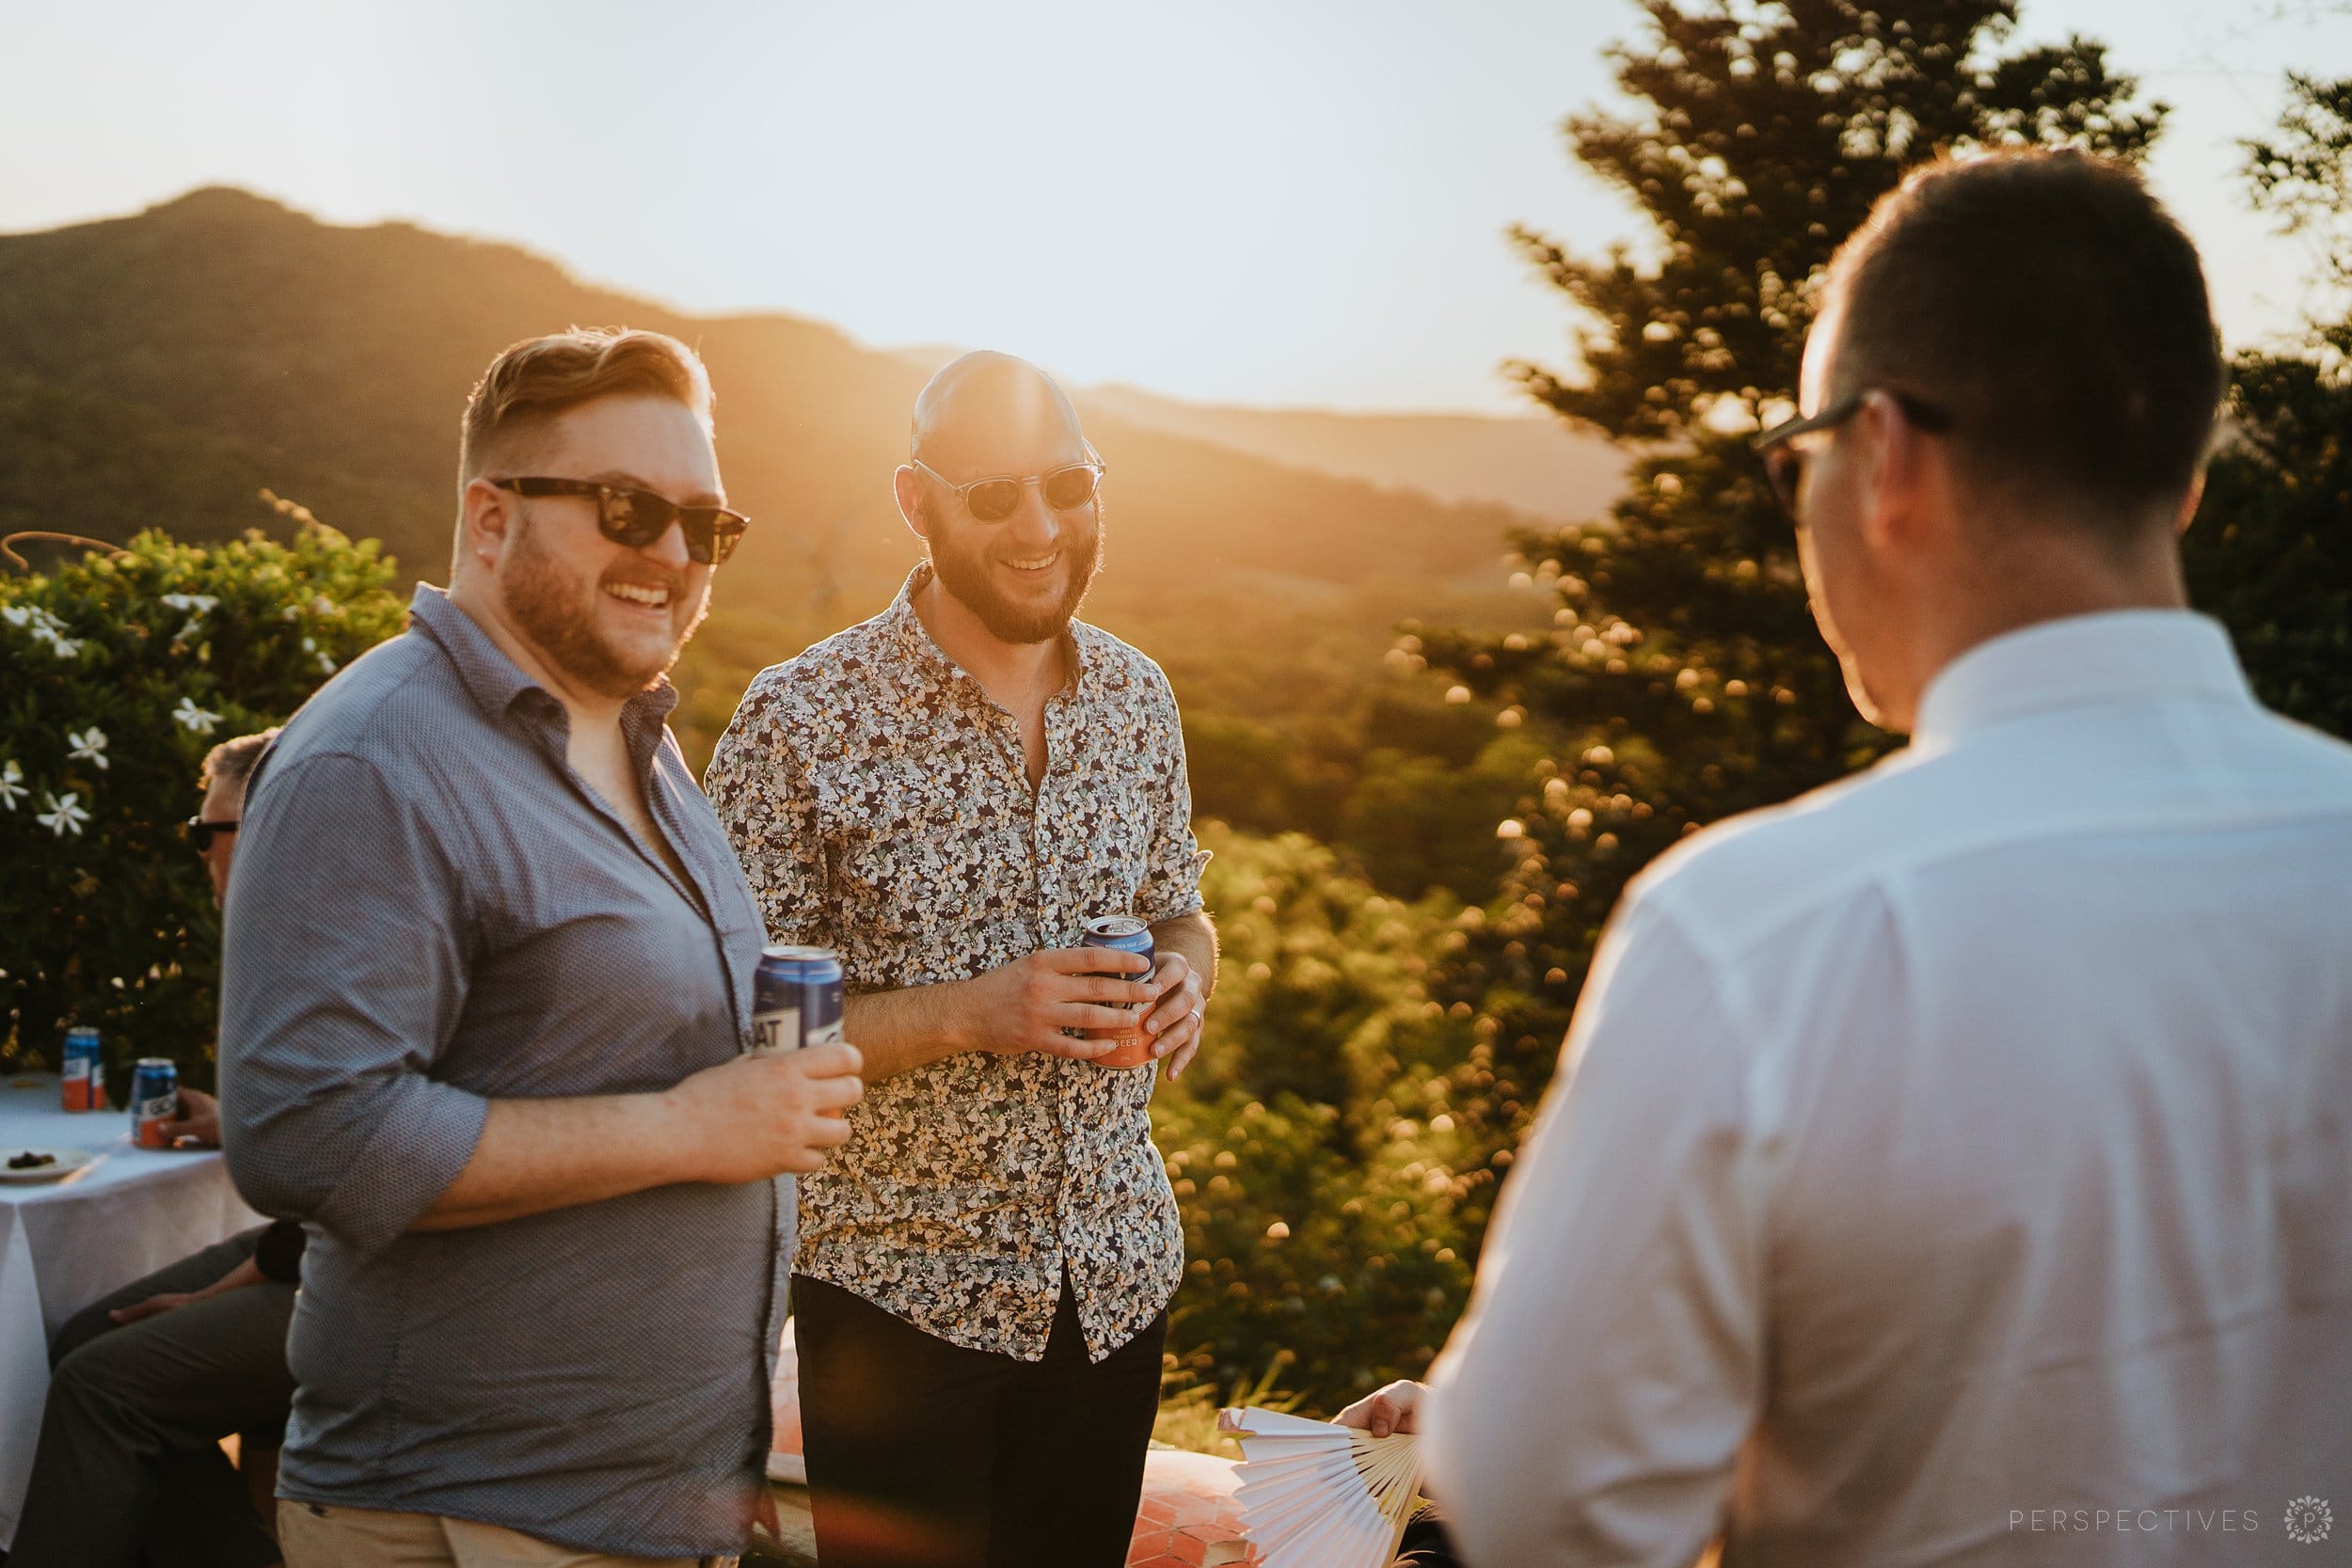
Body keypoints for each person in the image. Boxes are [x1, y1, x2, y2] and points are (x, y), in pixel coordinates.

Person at [1411, 150, 2352, 1565]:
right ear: (2187, 487)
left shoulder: (1754, 935)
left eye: (1800, 458)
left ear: (1890, 455)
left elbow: (1545, 1512)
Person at [217, 328, 864, 1568]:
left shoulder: (639, 739)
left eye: (704, 525)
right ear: (490, 516)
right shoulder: (376, 757)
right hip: (473, 1517)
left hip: (640, 1510)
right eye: (629, 508)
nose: (671, 553)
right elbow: (309, 1132)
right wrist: (692, 1126)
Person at [705, 351, 1216, 1568]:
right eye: (993, 496)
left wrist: (1193, 971)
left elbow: (1179, 904)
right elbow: (736, 1038)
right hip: (898, 1308)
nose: (1040, 527)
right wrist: (969, 1012)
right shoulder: (798, 720)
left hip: (1114, 1281)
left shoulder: (1140, 696)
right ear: (915, 500)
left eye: (1070, 485)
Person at [10, 729, 295, 1568]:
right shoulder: (275, 935)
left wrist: (225, 1290)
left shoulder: (329, 939)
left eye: (209, 829)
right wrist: (237, 1121)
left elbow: (352, 1185)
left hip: (371, 1274)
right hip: (314, 1244)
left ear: (269, 823)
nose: (200, 849)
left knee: (103, 1388)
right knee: (81, 1335)